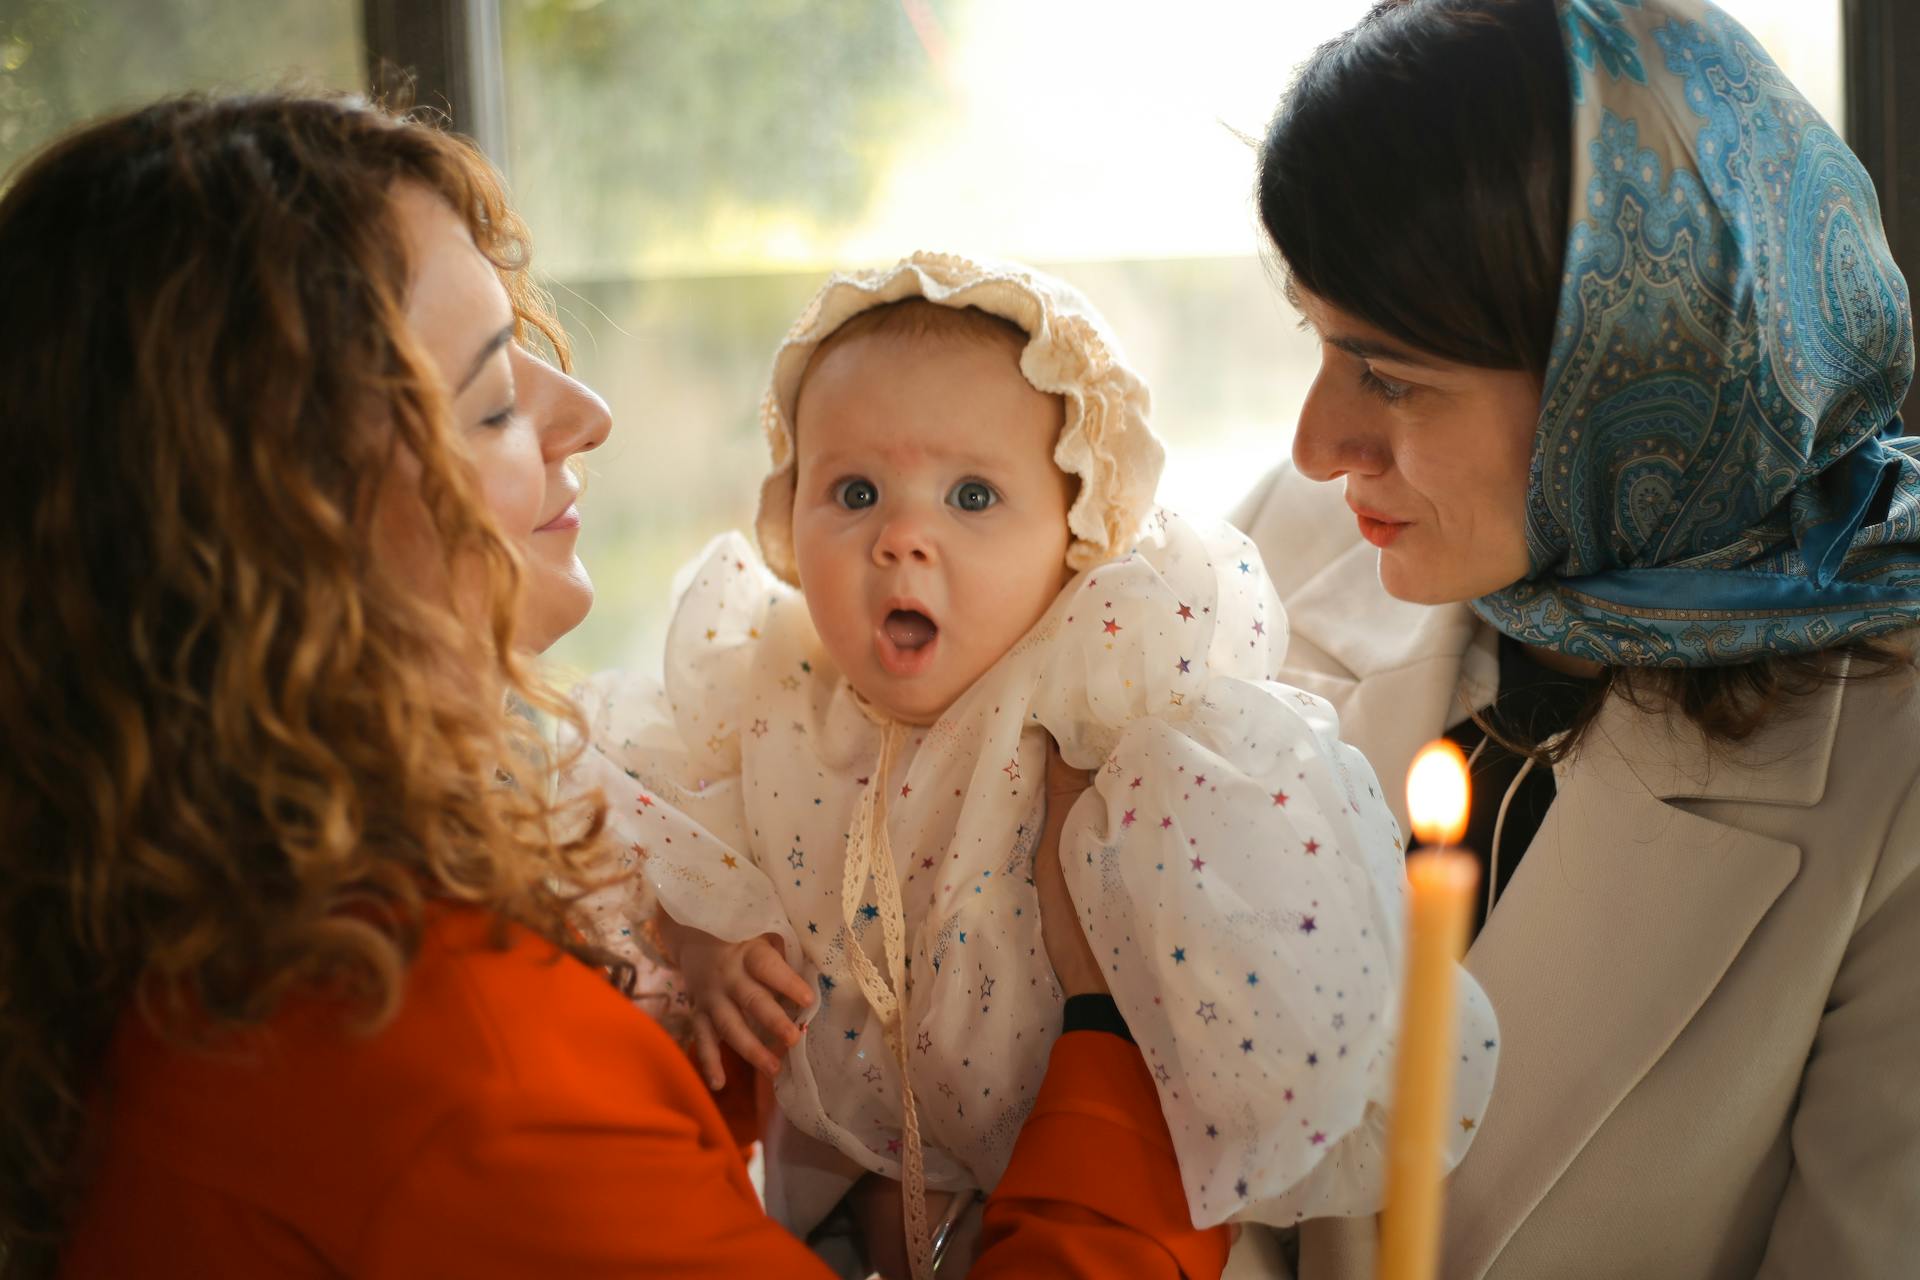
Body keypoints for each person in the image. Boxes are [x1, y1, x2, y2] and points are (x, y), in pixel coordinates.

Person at [0, 93, 1232, 1279]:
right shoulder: (463, 1070)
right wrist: (1120, 1029)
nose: (584, 411)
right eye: (490, 399)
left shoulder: (187, 895)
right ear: (290, 528)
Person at [569, 253, 1497, 1277]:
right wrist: (707, 938)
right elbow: (675, 836)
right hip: (841, 1201)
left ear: (1079, 531)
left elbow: (1241, 977)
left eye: (972, 494)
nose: (902, 536)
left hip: (1093, 1177)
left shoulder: (1107, 710)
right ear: (785, 514)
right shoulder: (766, 692)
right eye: (854, 489)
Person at [1239, 0, 1920, 1275]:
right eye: (1317, 342)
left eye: (1389, 376)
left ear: (1637, 370)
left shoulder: (1899, 772)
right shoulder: (1288, 549)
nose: (1317, 445)